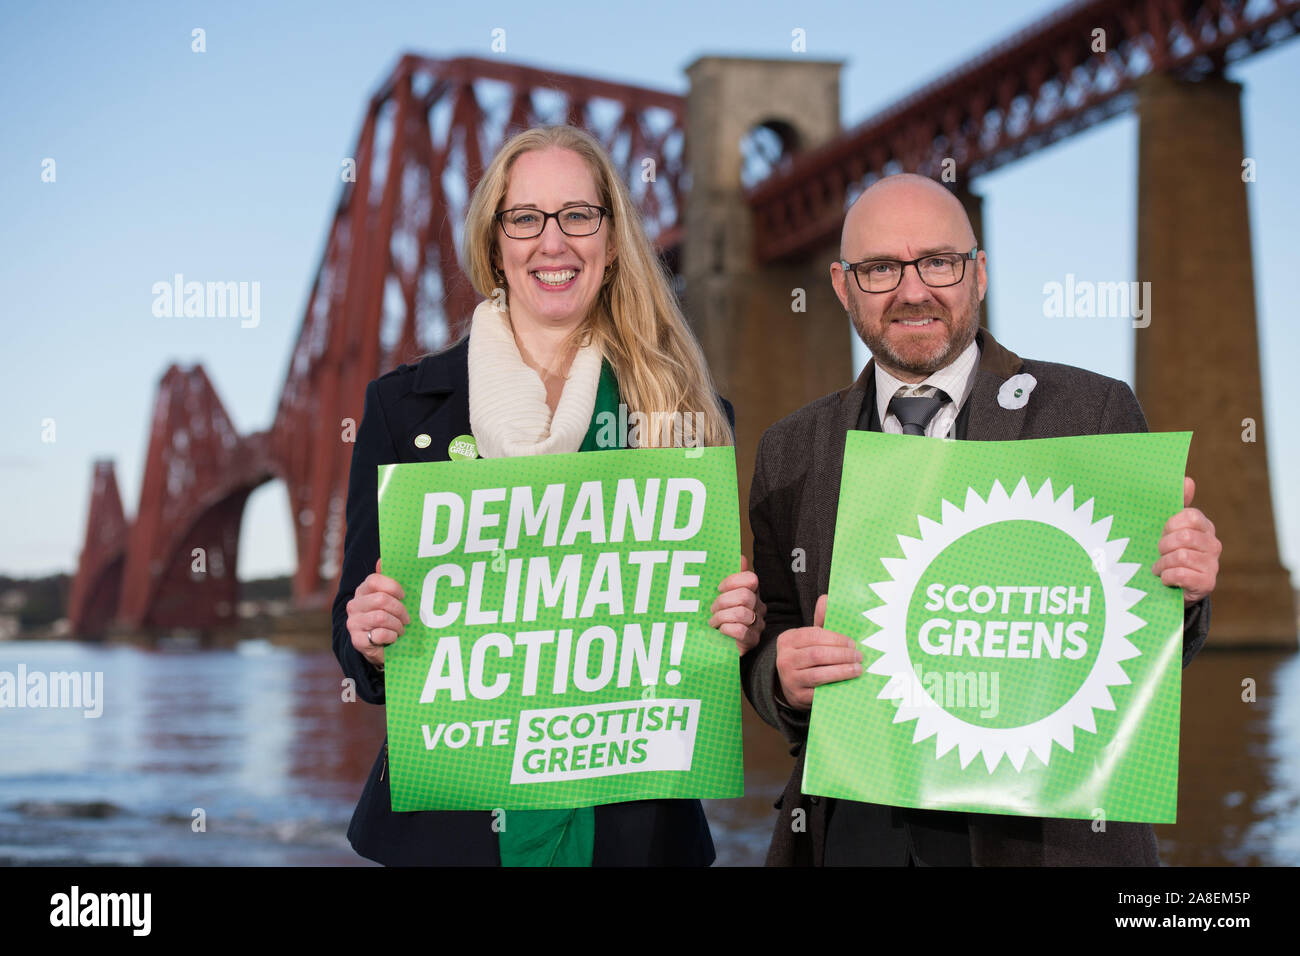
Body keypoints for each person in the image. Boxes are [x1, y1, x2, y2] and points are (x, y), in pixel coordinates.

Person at [742, 173, 1222, 866]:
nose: (913, 291)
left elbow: (1150, 647)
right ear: (843, 286)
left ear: (981, 273)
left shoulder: (1092, 413)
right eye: (880, 268)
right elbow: (771, 633)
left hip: (1049, 841)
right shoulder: (790, 449)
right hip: (854, 834)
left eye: (939, 261)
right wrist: (780, 678)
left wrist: (1187, 587)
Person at [331, 124, 765, 866]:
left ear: (612, 236)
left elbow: (700, 639)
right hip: (454, 826)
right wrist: (369, 637)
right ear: (495, 241)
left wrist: (736, 622)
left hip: (636, 827)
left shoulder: (687, 410)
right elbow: (353, 644)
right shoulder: (402, 410)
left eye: (578, 215)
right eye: (525, 218)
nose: (552, 242)